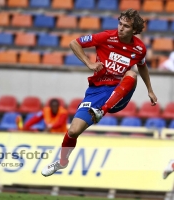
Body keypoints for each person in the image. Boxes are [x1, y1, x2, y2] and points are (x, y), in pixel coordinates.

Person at [41, 9, 157, 177]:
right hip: (96, 91)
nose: (121, 28)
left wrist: (150, 90)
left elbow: (142, 66)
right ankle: (62, 162)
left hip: (120, 92)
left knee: (131, 74)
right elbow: (74, 43)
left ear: (134, 30)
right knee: (73, 131)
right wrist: (89, 63)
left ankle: (101, 111)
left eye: (126, 26)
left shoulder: (140, 49)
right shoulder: (106, 37)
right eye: (120, 24)